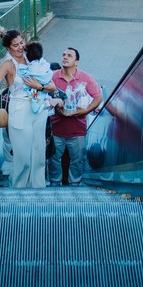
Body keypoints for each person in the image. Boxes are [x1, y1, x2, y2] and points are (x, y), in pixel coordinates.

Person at [0, 30, 52, 188]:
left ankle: (39, 188)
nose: (21, 47)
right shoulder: (8, 64)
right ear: (8, 48)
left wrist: (39, 86)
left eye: (21, 42)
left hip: (39, 108)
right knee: (23, 156)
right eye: (16, 45)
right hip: (20, 109)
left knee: (39, 153)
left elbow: (49, 81)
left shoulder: (31, 56)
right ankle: (19, 188)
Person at [46, 47, 103, 186]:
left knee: (77, 160)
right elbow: (41, 95)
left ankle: (75, 184)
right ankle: (55, 183)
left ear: (76, 62)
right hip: (55, 129)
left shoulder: (85, 78)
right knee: (53, 159)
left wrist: (86, 111)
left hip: (77, 130)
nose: (65, 57)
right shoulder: (52, 77)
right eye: (63, 55)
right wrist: (55, 104)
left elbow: (98, 97)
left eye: (69, 56)